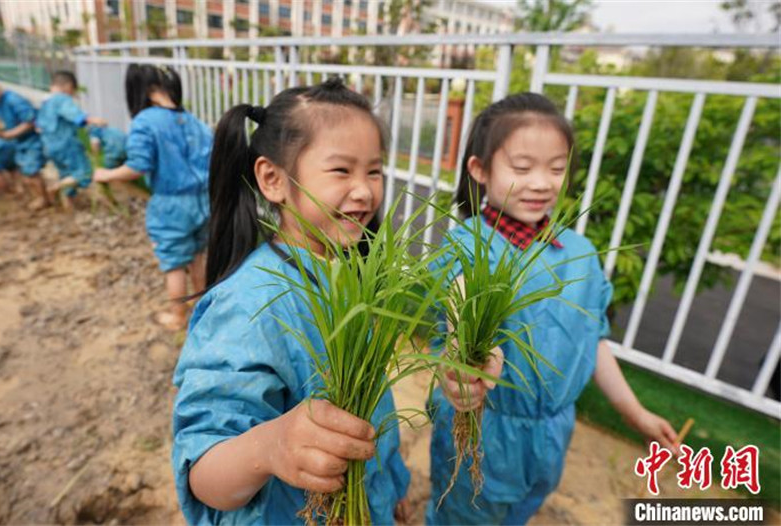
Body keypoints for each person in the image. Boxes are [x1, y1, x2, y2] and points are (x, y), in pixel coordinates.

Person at [427, 92, 678, 525]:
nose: (542, 182)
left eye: (556, 168)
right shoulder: (468, 246)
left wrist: (635, 414)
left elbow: (591, 340)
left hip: (553, 432)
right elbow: (458, 318)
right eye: (522, 168)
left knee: (523, 508)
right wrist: (463, 365)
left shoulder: (579, 252)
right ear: (480, 170)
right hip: (485, 433)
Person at [172, 78, 410, 525]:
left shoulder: (355, 273)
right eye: (342, 171)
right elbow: (204, 473)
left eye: (373, 171)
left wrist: (390, 484)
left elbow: (374, 406)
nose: (364, 191)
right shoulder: (248, 305)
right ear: (273, 179)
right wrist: (271, 446)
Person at [93, 64, 211, 331]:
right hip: (204, 201)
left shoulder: (145, 122)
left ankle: (178, 317)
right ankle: (201, 304)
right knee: (197, 255)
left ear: (141, 90)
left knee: (174, 263)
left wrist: (107, 175)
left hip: (171, 204)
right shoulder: (194, 121)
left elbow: (137, 167)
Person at [35, 70, 106, 207]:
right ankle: (55, 187)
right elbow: (74, 115)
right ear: (68, 86)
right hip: (67, 145)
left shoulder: (45, 102)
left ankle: (69, 206)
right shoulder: (62, 99)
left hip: (49, 146)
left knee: (66, 174)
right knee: (84, 173)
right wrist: (94, 120)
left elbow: (38, 126)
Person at [0, 72, 49, 210]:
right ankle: (34, 195)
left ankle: (43, 199)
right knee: (25, 171)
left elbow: (30, 122)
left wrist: (9, 134)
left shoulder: (13, 99)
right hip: (19, 142)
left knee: (32, 171)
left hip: (30, 141)